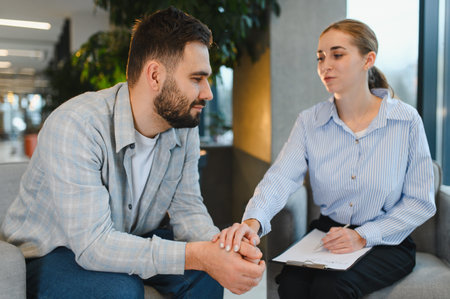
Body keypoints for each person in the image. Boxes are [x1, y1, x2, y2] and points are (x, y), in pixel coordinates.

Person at [1, 7, 265, 299]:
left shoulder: (183, 127)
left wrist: (222, 248)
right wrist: (199, 255)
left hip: (128, 235)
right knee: (120, 291)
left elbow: (188, 210)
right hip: (54, 250)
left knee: (207, 276)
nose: (208, 93)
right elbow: (94, 245)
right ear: (154, 75)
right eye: (196, 79)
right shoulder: (76, 125)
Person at [213, 19, 436, 298]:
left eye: (337, 55)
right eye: (320, 57)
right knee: (292, 286)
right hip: (328, 235)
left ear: (368, 60)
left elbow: (420, 202)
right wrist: (252, 222)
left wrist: (363, 235)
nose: (325, 65)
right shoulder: (310, 122)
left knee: (331, 287)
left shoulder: (406, 121)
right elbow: (281, 177)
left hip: (387, 241)